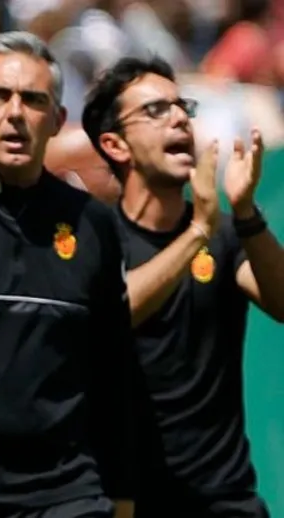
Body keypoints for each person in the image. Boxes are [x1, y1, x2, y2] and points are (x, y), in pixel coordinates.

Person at [0, 31, 138, 518]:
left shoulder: (92, 223)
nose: (15, 113)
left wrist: (126, 493)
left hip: (67, 491)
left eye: (33, 100)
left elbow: (116, 372)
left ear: (57, 120)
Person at [82, 56, 284, 518]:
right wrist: (198, 232)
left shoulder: (226, 235)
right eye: (155, 110)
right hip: (131, 502)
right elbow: (113, 315)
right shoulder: (94, 238)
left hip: (227, 500)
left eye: (181, 107)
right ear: (115, 145)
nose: (178, 119)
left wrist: (247, 214)